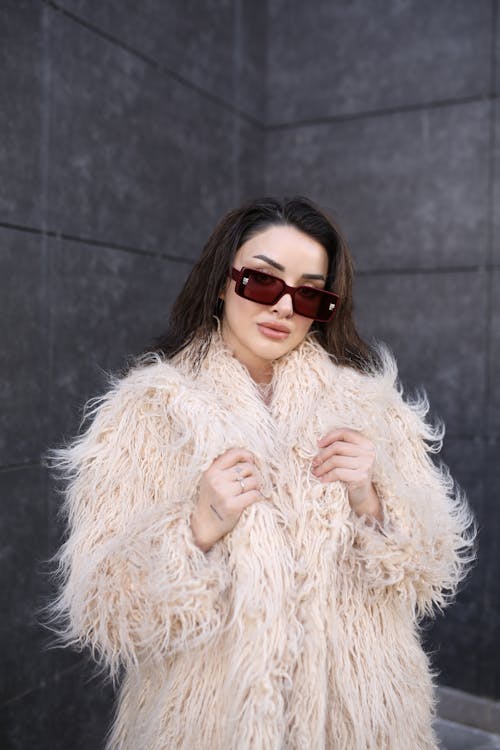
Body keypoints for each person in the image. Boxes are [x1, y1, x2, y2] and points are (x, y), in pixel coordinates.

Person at [47, 196, 475, 749]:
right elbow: (105, 611)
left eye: (309, 293)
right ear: (222, 283)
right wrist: (197, 528)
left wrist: (373, 501)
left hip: (363, 724)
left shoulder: (372, 409)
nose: (283, 308)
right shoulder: (147, 413)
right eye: (262, 282)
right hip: (211, 725)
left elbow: (431, 570)